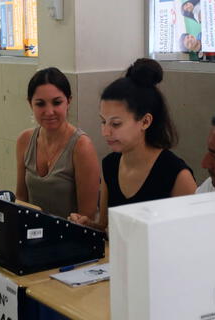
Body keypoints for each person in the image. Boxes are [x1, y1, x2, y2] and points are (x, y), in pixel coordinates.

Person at [70, 58, 196, 230]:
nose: (105, 132)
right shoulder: (110, 165)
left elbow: (191, 237)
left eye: (116, 124)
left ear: (145, 122)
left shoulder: (176, 175)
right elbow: (107, 228)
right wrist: (88, 226)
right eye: (103, 122)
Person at [16, 67, 100, 219]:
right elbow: (21, 199)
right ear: (30, 104)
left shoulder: (81, 146)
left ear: (68, 101)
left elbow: (87, 216)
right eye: (40, 104)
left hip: (71, 237)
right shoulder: (25, 140)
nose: (49, 112)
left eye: (57, 103)